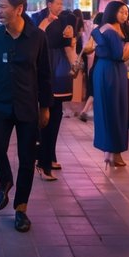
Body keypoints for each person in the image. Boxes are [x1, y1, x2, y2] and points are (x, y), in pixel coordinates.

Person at [0, 0, 51, 234]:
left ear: (19, 9)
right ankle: (5, 180)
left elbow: (44, 75)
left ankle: (21, 209)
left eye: (2, 6)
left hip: (28, 106)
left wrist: (46, 106)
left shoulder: (38, 38)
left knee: (27, 159)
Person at [93, 1, 129, 168]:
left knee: (111, 109)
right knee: (115, 110)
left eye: (126, 12)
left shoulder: (104, 28)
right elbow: (120, 55)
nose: (124, 15)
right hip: (111, 72)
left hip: (109, 71)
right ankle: (114, 153)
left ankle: (110, 152)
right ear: (112, 12)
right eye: (121, 12)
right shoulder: (111, 31)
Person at [38, 9, 81, 180]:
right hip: (55, 79)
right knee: (49, 122)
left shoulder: (55, 32)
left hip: (57, 80)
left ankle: (47, 159)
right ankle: (44, 162)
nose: (69, 29)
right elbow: (71, 56)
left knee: (52, 120)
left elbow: (72, 55)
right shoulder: (53, 30)